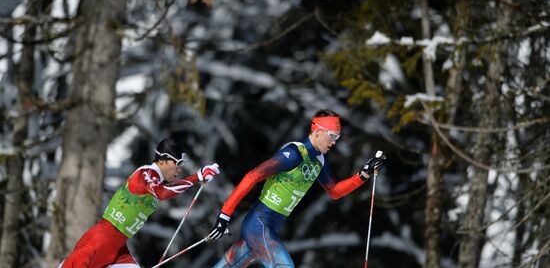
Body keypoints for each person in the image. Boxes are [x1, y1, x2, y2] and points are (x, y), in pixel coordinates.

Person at [207, 109, 386, 267]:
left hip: (269, 227)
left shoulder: (319, 161)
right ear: (317, 131)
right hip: (259, 223)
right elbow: (252, 176)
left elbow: (334, 192)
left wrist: (363, 175)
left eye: (337, 137)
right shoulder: (293, 154)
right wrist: (225, 214)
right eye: (332, 135)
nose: (334, 142)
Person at [57, 138, 220, 268]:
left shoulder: (157, 181)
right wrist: (196, 177)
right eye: (178, 163)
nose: (180, 169)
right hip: (103, 238)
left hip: (118, 245)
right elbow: (162, 193)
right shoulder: (146, 173)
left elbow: (163, 189)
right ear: (163, 160)